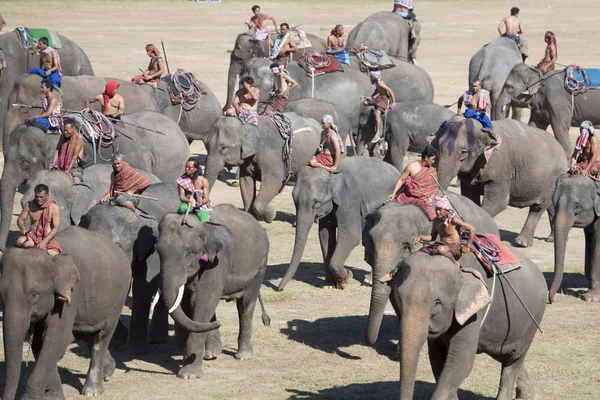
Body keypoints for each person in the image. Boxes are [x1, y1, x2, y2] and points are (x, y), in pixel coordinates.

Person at [415, 195, 476, 267]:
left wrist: (467, 246)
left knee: (441, 249)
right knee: (418, 253)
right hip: (441, 244)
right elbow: (432, 237)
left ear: (446, 211)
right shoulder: (436, 221)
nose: (437, 212)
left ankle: (455, 263)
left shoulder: (453, 220)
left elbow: (472, 229)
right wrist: (421, 237)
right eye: (436, 209)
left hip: (454, 247)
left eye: (440, 210)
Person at [388, 145, 439, 219]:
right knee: (393, 210)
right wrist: (393, 193)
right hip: (408, 195)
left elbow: (434, 187)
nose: (434, 161)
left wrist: (430, 199)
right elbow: (401, 179)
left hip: (423, 198)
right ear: (426, 158)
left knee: (431, 216)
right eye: (432, 159)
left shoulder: (431, 171)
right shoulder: (411, 167)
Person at [16, 184, 62, 256]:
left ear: (47, 195)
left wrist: (44, 242)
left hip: (47, 237)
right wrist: (22, 228)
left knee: (54, 255)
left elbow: (56, 228)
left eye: (41, 197)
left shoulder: (54, 207)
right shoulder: (29, 205)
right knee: (20, 241)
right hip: (33, 235)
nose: (38, 199)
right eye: (36, 197)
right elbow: (20, 219)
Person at [363, 70, 396, 143]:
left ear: (374, 76)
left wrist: (393, 102)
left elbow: (390, 90)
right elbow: (377, 90)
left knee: (377, 114)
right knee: (366, 102)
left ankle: (378, 133)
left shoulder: (380, 83)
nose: (370, 76)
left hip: (384, 98)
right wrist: (371, 96)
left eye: (371, 75)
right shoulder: (376, 83)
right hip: (380, 96)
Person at [177, 157, 212, 223]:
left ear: (195, 169)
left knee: (204, 219)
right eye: (186, 167)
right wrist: (187, 200)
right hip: (187, 204)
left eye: (189, 167)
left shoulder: (203, 181)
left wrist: (201, 202)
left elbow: (206, 198)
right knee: (182, 208)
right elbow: (181, 196)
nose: (187, 169)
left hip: (200, 206)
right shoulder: (182, 180)